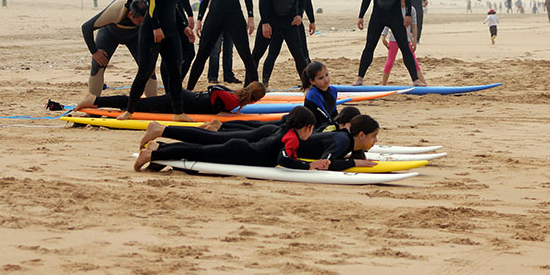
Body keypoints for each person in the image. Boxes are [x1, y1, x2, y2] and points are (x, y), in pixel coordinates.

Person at [134, 106, 376, 172]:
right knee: (199, 151)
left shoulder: (288, 133)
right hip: (241, 152)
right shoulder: (291, 139)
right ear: (306, 128)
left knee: (199, 149)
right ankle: (154, 153)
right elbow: (285, 159)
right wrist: (310, 165)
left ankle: (158, 151)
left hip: (242, 150)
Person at [118, 0, 195, 122]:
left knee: (175, 71)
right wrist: (155, 27)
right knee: (145, 71)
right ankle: (129, 111)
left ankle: (178, 113)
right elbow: (151, 3)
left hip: (170, 32)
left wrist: (184, 27)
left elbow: (174, 7)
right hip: (151, 31)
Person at [354, 0, 424, 86]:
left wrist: (408, 14)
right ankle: (359, 78)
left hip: (395, 16)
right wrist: (361, 16)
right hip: (377, 16)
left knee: (405, 47)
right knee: (369, 46)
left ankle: (415, 80)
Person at [251, 0, 312, 86]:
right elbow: (264, 1)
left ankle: (307, 87)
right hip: (270, 22)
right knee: (257, 54)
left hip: (289, 22)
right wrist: (265, 22)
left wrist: (299, 15)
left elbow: (303, 0)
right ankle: (249, 85)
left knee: (299, 55)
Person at [79, 0, 156, 100]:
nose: (142, 24)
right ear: (130, 14)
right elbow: (86, 27)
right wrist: (95, 52)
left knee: (149, 68)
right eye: (139, 21)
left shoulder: (150, 13)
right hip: (110, 33)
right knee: (98, 65)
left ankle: (153, 105)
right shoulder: (114, 12)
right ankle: (92, 103)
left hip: (136, 35)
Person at [86, 82, 266, 115]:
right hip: (181, 100)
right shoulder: (233, 100)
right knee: (138, 104)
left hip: (184, 99)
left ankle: (97, 101)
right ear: (254, 100)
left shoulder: (234, 98)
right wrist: (221, 112)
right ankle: (95, 101)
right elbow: (214, 89)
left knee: (140, 104)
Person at [380, 0, 426, 85]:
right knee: (390, 62)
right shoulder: (393, 9)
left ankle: (424, 83)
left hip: (406, 39)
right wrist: (383, 36)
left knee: (413, 61)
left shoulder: (411, 9)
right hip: (394, 39)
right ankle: (383, 85)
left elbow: (414, 26)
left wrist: (414, 41)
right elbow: (387, 23)